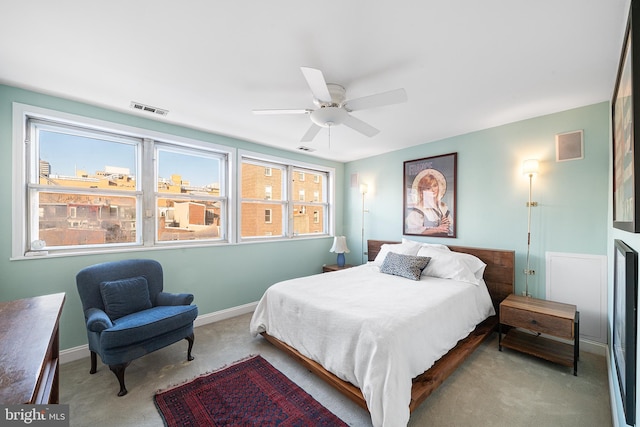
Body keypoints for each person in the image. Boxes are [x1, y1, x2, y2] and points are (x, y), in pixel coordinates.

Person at [405, 169, 453, 236]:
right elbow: (413, 233)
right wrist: (437, 229)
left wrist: (445, 224)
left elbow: (451, 229)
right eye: (428, 188)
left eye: (435, 185)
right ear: (421, 191)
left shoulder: (443, 207)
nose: (433, 190)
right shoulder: (417, 211)